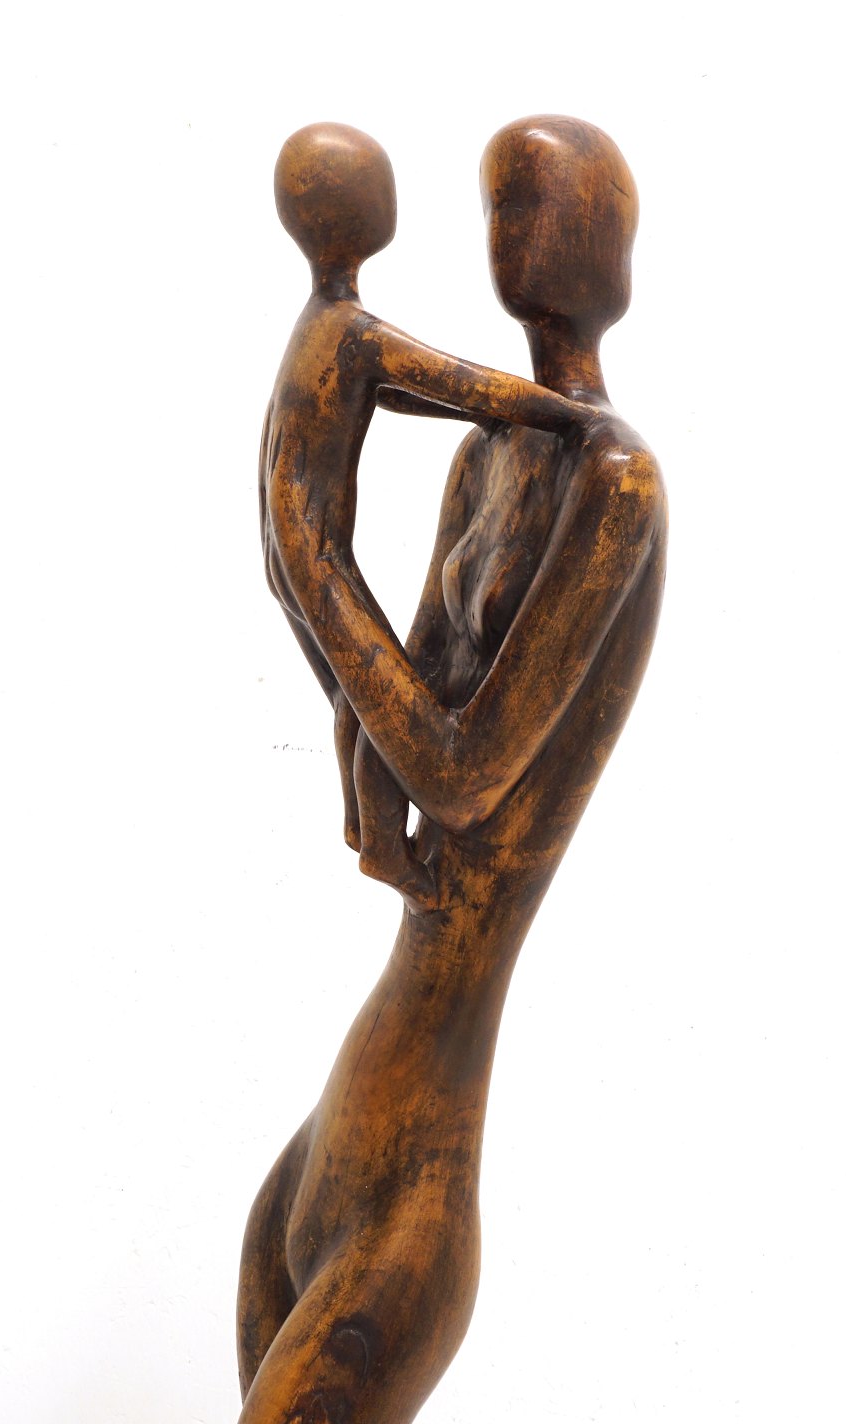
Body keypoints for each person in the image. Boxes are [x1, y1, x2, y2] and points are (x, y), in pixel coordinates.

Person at [241, 117, 668, 1424]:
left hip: (415, 1182)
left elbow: (463, 774)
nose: (521, 228)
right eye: (503, 204)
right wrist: (334, 665)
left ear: (617, 249)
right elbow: (400, 724)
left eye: (549, 201)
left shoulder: (616, 480)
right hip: (341, 1120)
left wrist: (314, 565)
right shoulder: (490, 457)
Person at [260, 122, 598, 910]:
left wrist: (486, 418)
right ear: (371, 212)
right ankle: (385, 849)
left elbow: (398, 393)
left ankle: (365, 828)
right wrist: (556, 412)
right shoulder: (349, 327)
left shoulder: (315, 331)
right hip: (316, 553)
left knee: (360, 695)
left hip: (284, 550)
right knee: (384, 691)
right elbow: (450, 380)